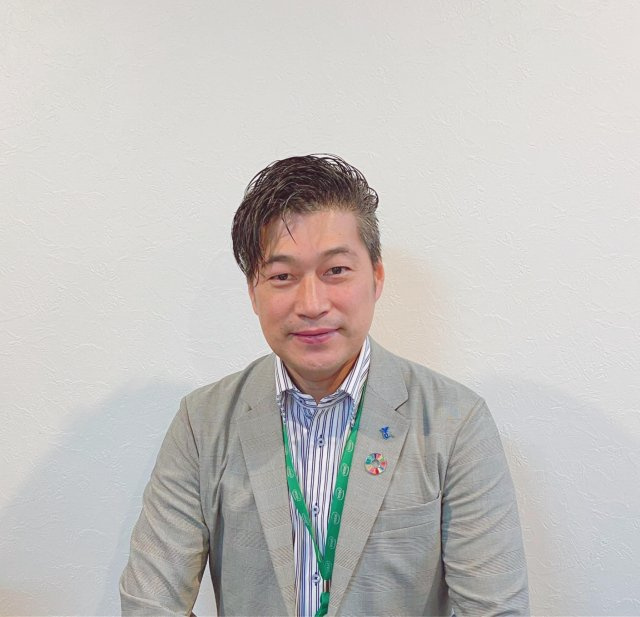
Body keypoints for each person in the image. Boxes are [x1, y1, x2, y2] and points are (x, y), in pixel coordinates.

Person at [120, 154, 529, 616]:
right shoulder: (203, 424)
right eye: (282, 276)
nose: (312, 304)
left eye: (335, 270)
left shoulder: (455, 422)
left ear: (376, 277)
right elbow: (149, 604)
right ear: (253, 291)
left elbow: (495, 610)